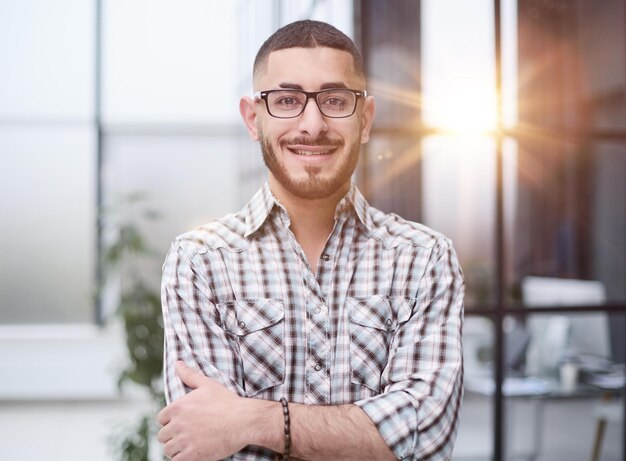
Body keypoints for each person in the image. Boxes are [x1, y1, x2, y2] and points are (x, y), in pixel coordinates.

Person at [157, 19, 464, 461]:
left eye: (335, 100)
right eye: (286, 100)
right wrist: (366, 434)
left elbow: (422, 435)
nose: (312, 124)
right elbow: (204, 444)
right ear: (252, 118)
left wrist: (253, 420)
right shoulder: (200, 261)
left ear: (366, 119)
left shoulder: (424, 259)